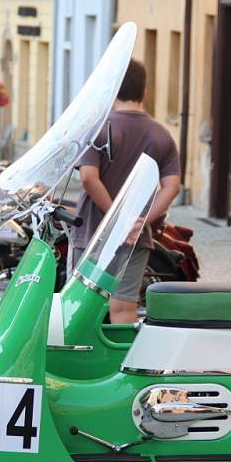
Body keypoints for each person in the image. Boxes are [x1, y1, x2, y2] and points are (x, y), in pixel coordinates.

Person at [72, 59, 181, 324]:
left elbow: (88, 178)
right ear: (144, 92)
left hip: (93, 234)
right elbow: (172, 186)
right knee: (123, 307)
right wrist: (140, 221)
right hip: (135, 239)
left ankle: (83, 363)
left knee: (82, 306)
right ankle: (123, 364)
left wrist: (116, 219)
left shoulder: (99, 127)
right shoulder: (160, 135)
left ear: (112, 88)